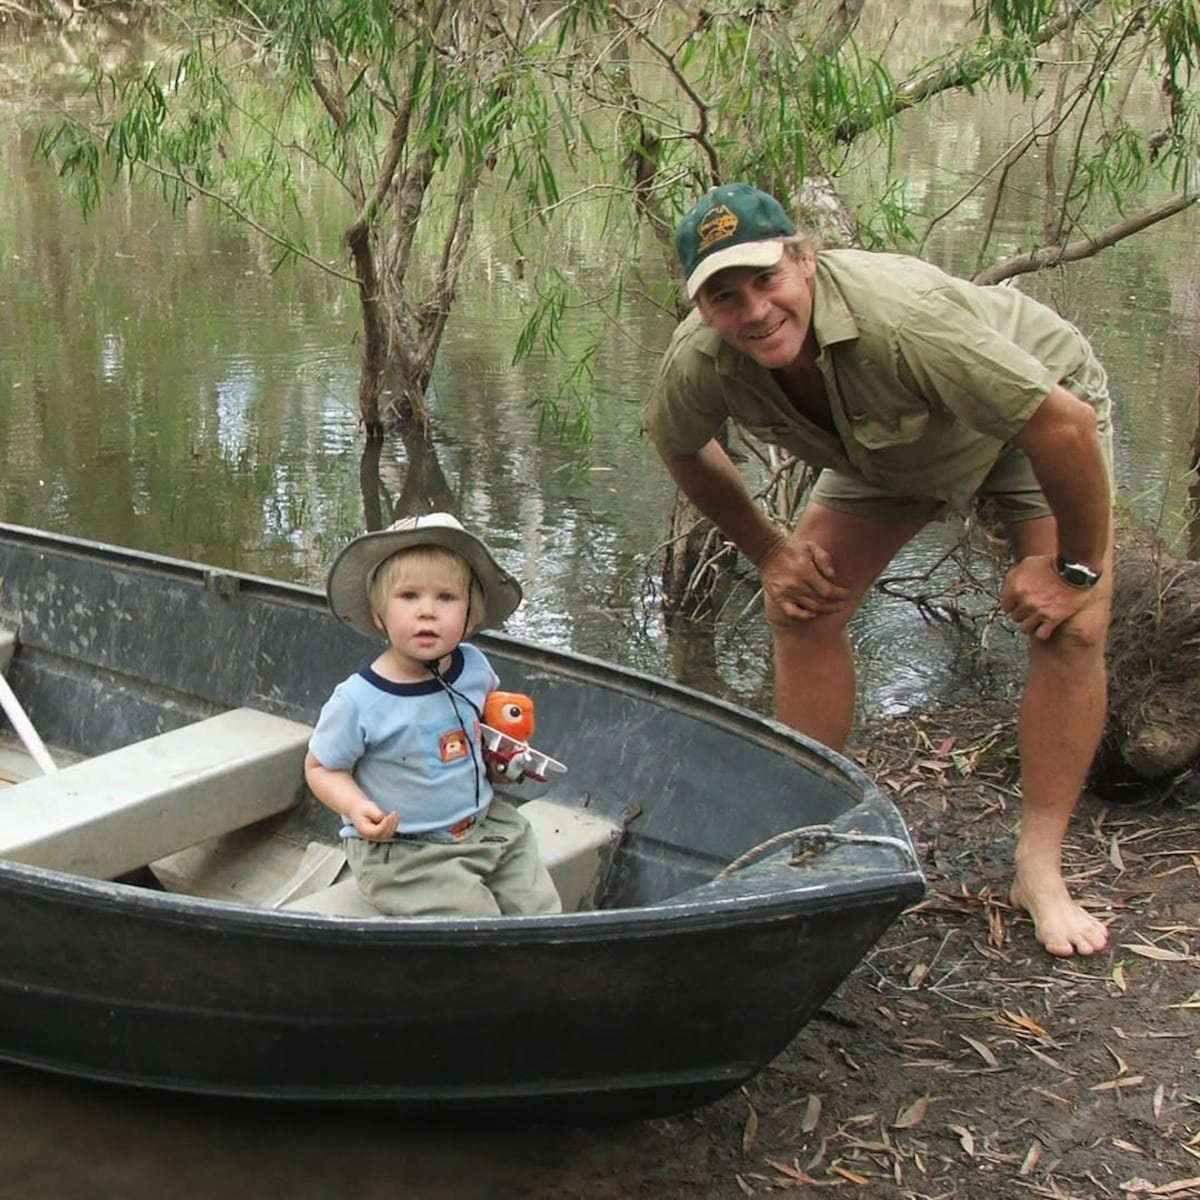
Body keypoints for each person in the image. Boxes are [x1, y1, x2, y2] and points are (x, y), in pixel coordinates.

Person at [642, 182, 1114, 958]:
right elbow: (679, 442)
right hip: (888, 451)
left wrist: (1076, 572)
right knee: (803, 604)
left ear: (804, 260)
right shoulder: (702, 359)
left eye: (767, 279)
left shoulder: (904, 322)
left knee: (1071, 627)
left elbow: (1063, 426)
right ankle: (809, 835)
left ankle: (1039, 870)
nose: (754, 310)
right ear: (700, 307)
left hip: (1029, 420)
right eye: (725, 296)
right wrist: (769, 551)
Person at [304, 512, 562, 919]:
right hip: (404, 851)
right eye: (409, 597)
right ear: (379, 615)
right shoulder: (358, 700)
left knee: (540, 906)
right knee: (474, 921)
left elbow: (485, 725)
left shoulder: (474, 667)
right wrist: (356, 808)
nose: (428, 612)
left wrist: (504, 756)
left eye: (446, 597)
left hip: (483, 825)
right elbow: (321, 767)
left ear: (470, 614)